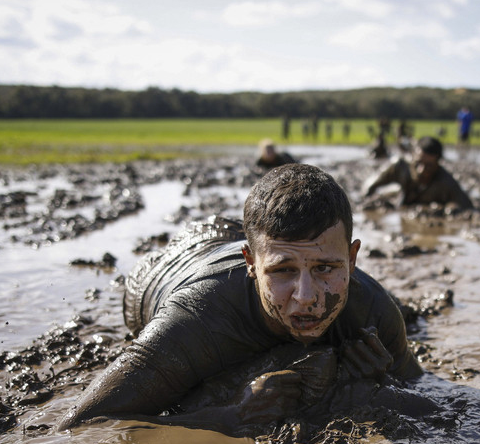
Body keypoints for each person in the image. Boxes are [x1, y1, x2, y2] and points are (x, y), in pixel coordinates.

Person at [59, 164, 423, 429]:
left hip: (235, 238)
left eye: (326, 268)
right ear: (250, 264)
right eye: (283, 271)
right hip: (168, 265)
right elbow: (86, 422)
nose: (307, 297)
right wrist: (228, 416)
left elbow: (420, 386)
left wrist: (383, 379)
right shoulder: (195, 317)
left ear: (353, 258)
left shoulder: (374, 309)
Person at [364, 136, 473, 211]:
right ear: (413, 157)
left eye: (428, 166)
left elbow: (468, 208)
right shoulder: (399, 166)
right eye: (418, 163)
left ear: (438, 164)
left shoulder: (446, 183)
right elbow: (369, 186)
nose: (421, 170)